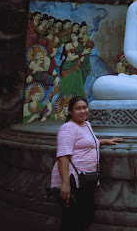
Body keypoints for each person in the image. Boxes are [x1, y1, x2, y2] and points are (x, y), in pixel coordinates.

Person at [50, 96, 123, 231]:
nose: (83, 111)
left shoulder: (86, 125)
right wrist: (65, 184)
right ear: (70, 111)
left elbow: (85, 143)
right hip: (72, 180)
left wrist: (104, 141)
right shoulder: (67, 129)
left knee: (86, 216)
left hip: (86, 179)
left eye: (85, 107)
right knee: (71, 220)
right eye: (78, 108)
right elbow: (63, 156)